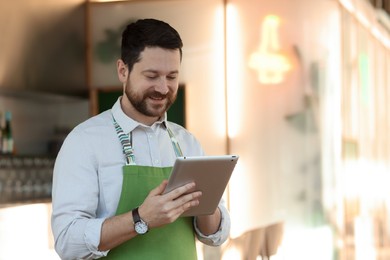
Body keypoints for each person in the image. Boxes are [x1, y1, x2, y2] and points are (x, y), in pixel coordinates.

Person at [51, 18, 230, 259]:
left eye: (171, 77)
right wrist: (141, 218)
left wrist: (205, 204)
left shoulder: (186, 142)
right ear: (123, 70)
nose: (163, 88)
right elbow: (67, 242)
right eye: (152, 75)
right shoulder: (84, 142)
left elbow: (215, 235)